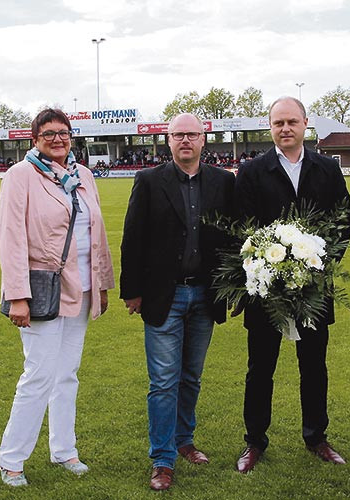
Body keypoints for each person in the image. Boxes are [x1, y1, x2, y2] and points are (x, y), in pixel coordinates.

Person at [0, 108, 115, 487]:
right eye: (49, 134)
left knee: (67, 374)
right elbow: (11, 237)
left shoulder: (83, 175)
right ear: (35, 139)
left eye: (64, 133)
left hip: (80, 289)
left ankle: (64, 449)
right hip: (40, 289)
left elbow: (96, 232)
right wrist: (17, 296)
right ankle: (12, 459)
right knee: (40, 374)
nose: (58, 139)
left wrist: (101, 284)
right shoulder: (20, 176)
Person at [233, 97, 350, 473]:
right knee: (260, 368)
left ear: (305, 124)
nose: (285, 129)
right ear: (270, 127)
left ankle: (316, 437)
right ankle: (255, 442)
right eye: (278, 123)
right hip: (266, 291)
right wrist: (267, 269)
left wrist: (317, 267)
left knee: (314, 366)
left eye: (291, 122)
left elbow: (343, 220)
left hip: (314, 291)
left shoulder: (327, 169)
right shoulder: (252, 170)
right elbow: (243, 226)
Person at [120, 113, 235, 491]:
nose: (185, 140)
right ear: (167, 141)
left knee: (191, 376)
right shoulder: (149, 180)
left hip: (205, 294)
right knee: (164, 380)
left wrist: (232, 286)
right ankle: (162, 458)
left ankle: (184, 441)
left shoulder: (222, 181)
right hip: (163, 296)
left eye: (192, 134)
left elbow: (233, 238)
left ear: (204, 140)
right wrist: (132, 290)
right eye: (178, 134)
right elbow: (133, 238)